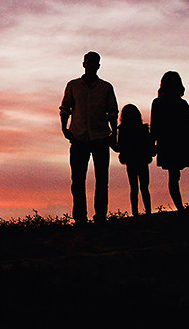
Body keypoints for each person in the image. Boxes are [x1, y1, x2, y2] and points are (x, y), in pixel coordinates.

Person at [60, 52, 119, 224]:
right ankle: (80, 218)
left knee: (101, 180)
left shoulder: (106, 87)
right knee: (78, 180)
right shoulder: (73, 86)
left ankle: (100, 216)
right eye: (89, 62)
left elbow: (113, 111)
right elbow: (65, 108)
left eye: (95, 63)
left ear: (98, 66)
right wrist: (64, 127)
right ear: (84, 64)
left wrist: (114, 133)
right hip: (79, 137)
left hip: (101, 137)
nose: (92, 65)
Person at [150, 71, 189, 211]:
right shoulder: (158, 103)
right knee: (174, 176)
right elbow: (155, 125)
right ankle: (181, 209)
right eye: (170, 81)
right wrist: (152, 144)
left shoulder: (182, 103)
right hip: (170, 143)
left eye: (175, 81)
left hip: (188, 142)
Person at [115, 104, 155, 216]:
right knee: (143, 188)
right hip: (141, 160)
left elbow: (119, 147)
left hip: (131, 160)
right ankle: (147, 213)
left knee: (135, 188)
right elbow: (149, 145)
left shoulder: (123, 130)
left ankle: (136, 214)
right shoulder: (143, 129)